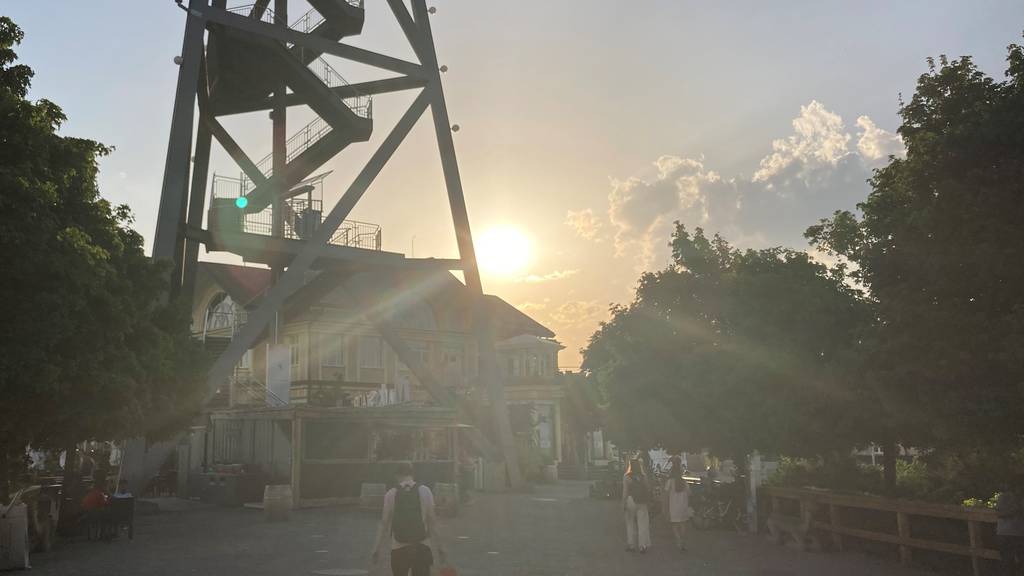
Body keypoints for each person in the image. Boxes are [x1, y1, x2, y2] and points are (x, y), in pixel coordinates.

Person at [372, 463, 448, 576]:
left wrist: (376, 549)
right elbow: (433, 523)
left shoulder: (391, 494)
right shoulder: (425, 491)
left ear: (397, 476)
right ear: (413, 475)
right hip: (421, 546)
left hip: (398, 547)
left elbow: (384, 524)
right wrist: (441, 548)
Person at [622, 458, 652, 553]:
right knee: (642, 523)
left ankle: (631, 544)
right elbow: (648, 489)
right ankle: (642, 545)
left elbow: (625, 492)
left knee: (630, 523)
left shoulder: (626, 477)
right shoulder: (644, 477)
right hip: (642, 501)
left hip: (631, 500)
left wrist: (623, 503)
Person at [664, 456, 692, 552]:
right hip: (683, 505)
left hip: (673, 506)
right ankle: (683, 542)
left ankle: (678, 541)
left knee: (675, 525)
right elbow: (689, 493)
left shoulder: (670, 482)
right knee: (683, 524)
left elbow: (666, 494)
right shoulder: (684, 482)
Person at [996, 486, 1024, 576]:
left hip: (1003, 533)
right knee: (1017, 562)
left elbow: (998, 512)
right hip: (1017, 534)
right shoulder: (1019, 498)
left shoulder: (1001, 497)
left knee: (1007, 562)